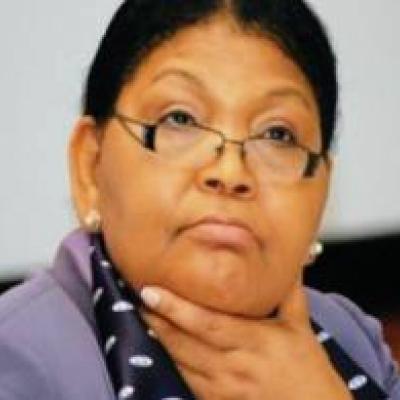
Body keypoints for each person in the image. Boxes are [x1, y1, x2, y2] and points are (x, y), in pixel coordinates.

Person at [0, 0, 399, 399]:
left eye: (277, 134)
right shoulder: (16, 357)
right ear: (91, 166)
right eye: (180, 119)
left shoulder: (354, 341)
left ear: (320, 192)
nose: (230, 173)